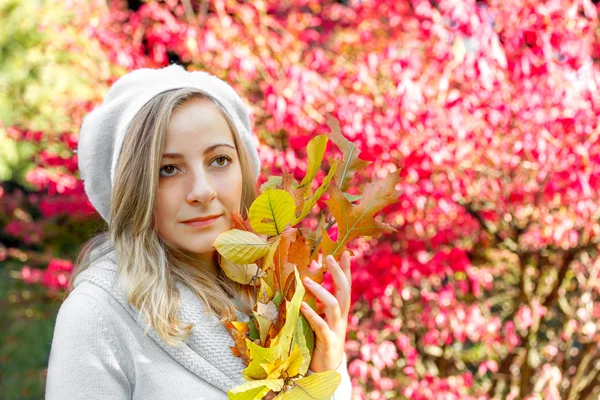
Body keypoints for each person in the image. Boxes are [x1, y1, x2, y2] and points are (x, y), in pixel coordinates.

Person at [45, 63, 353, 399]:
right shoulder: (98, 315)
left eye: (219, 160)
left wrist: (324, 377)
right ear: (135, 189)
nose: (202, 191)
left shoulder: (281, 294)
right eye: (169, 169)